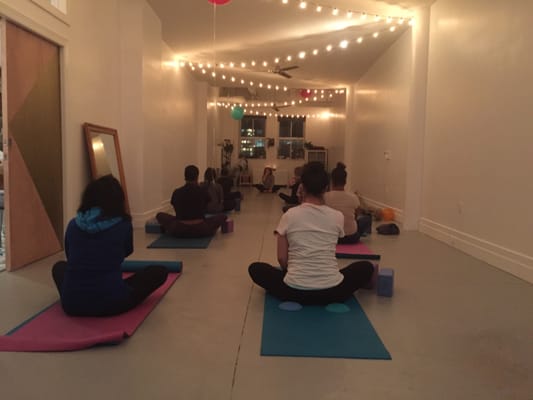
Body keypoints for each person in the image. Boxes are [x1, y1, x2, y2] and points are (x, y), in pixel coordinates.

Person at [248, 162, 373, 305]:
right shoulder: (337, 216)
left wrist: (295, 274)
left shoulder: (289, 215)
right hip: (332, 291)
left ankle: (299, 280)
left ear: (302, 187)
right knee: (366, 267)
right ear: (326, 188)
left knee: (255, 268)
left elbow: (282, 258)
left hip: (294, 291)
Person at [52, 175, 169, 317]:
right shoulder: (123, 224)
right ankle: (110, 287)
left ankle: (86, 290)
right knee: (159, 272)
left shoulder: (73, 225)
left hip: (72, 304)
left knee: (59, 267)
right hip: (112, 303)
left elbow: (70, 257)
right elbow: (126, 252)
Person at [156, 165, 226, 237]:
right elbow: (207, 204)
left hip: (180, 228)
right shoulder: (203, 191)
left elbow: (174, 206)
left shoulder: (177, 192)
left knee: (160, 215)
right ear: (197, 177)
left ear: (185, 177)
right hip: (200, 227)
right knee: (222, 216)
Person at [324, 162, 366, 244]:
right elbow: (357, 214)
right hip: (351, 238)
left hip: (330, 236)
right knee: (366, 220)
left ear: (331, 181)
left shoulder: (325, 197)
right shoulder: (353, 197)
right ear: (345, 181)